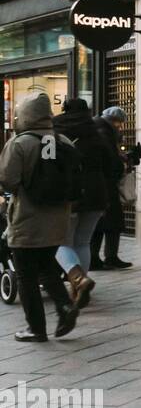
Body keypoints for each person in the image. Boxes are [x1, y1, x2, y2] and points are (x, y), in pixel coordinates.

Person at [0, 92, 78, 341]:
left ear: (24, 114)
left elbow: (7, 180)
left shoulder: (20, 143)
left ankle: (36, 328)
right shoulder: (64, 140)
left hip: (27, 217)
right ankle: (65, 305)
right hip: (58, 218)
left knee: (25, 274)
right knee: (47, 267)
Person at [53, 98, 116, 310]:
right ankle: (79, 288)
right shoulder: (96, 130)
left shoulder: (54, 130)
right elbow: (112, 165)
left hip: (67, 193)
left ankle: (78, 279)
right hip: (96, 193)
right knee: (83, 242)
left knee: (61, 241)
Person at [89, 106, 138, 270]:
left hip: (98, 183)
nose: (120, 127)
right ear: (114, 121)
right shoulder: (105, 133)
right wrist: (124, 164)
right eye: (119, 123)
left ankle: (97, 258)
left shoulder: (97, 128)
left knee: (100, 223)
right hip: (106, 184)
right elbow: (111, 160)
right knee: (110, 222)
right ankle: (107, 257)